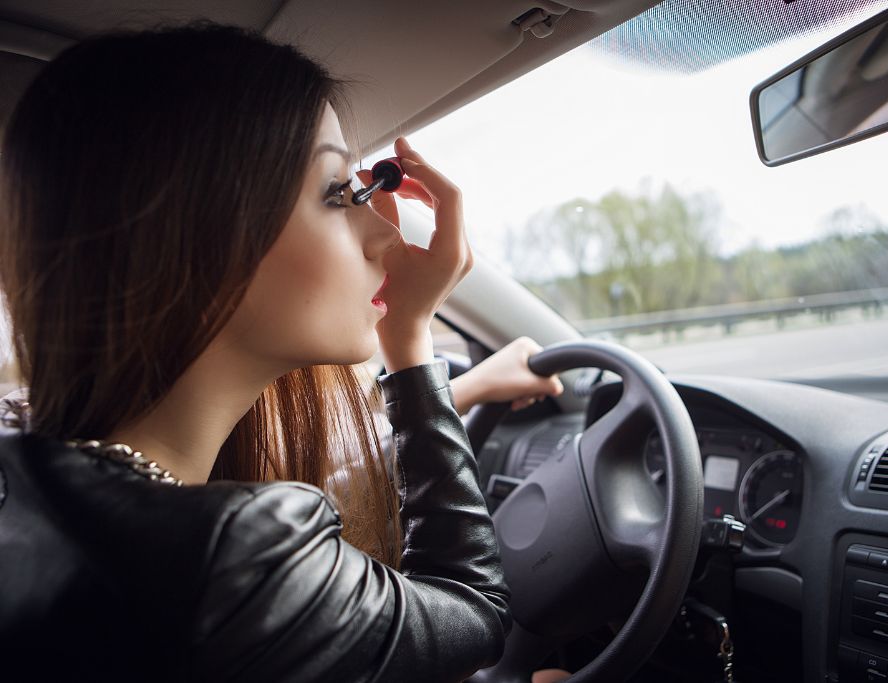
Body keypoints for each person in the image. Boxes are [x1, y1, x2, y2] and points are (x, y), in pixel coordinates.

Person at [0, 22, 564, 682]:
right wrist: (408, 341)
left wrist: (447, 380)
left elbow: (332, 465)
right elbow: (475, 609)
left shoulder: (27, 459)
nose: (384, 234)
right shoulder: (237, 555)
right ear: (197, 238)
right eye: (337, 193)